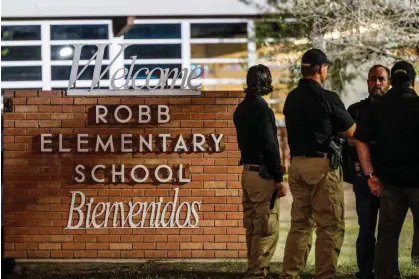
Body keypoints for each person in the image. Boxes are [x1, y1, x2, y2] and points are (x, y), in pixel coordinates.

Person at [281, 48, 356, 279]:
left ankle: (290, 274)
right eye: (325, 67)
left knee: (300, 224)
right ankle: (324, 274)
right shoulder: (328, 97)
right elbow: (351, 130)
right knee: (329, 226)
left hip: (297, 166)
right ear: (319, 68)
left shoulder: (291, 98)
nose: (326, 70)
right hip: (322, 166)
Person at [354, 61, 419, 279]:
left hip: (389, 182)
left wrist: (370, 175)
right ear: (412, 81)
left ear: (392, 81)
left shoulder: (377, 107)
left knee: (387, 236)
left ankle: (386, 275)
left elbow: (360, 141)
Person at [233, 64, 288, 279]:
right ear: (266, 83)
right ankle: (257, 273)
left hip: (247, 172)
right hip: (263, 174)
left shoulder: (241, 109)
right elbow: (270, 146)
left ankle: (253, 269)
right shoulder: (262, 110)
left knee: (253, 226)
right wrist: (278, 177)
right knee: (266, 227)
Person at [345, 65, 398, 279]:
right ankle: (365, 272)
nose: (377, 83)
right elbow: (347, 140)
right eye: (373, 79)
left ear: (389, 82)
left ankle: (388, 271)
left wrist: (365, 139)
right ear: (367, 82)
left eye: (381, 79)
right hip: (363, 180)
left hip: (391, 180)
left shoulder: (399, 110)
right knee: (366, 227)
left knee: (389, 229)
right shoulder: (356, 110)